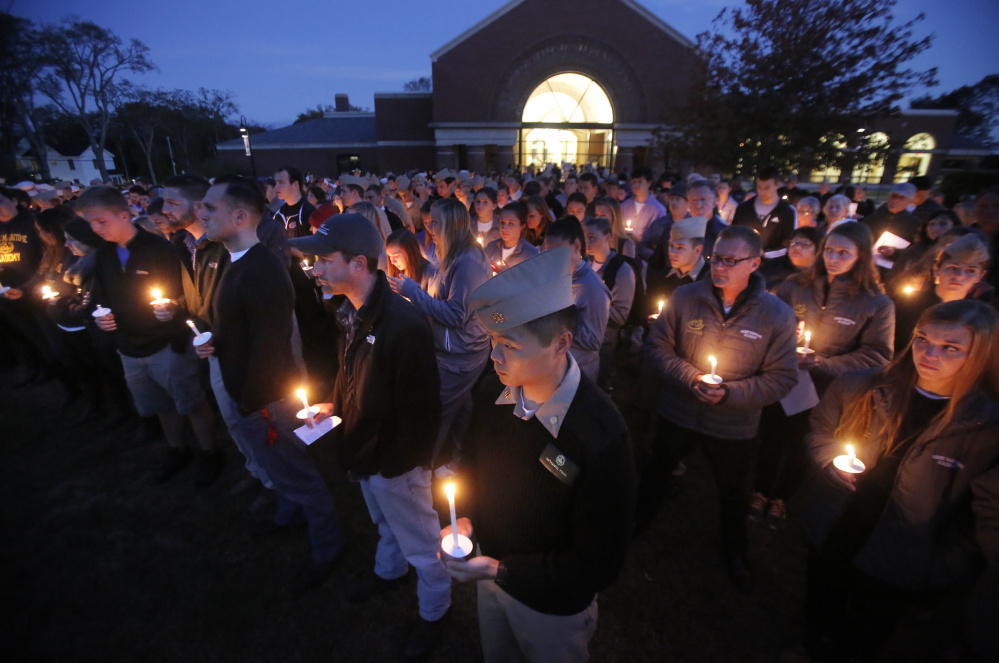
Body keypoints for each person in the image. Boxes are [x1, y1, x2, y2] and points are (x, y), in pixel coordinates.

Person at [442, 247, 635, 663]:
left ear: (561, 343)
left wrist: (504, 571)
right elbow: (472, 471)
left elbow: (599, 562)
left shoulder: (600, 434)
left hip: (552, 606)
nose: (494, 356)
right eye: (493, 340)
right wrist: (462, 522)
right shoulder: (492, 390)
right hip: (489, 576)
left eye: (509, 344)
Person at [799, 299, 999, 661]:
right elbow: (820, 431)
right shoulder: (861, 386)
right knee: (820, 604)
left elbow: (978, 514)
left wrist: (939, 567)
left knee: (864, 634)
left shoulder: (986, 429)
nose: (929, 353)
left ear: (981, 355)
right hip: (837, 524)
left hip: (902, 556)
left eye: (950, 348)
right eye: (923, 339)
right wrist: (830, 460)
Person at [291, 213, 449, 659]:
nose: (315, 268)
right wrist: (334, 407)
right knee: (383, 522)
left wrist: (394, 466)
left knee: (422, 542)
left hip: (393, 461)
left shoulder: (404, 326)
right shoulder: (350, 312)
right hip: (363, 448)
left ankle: (434, 611)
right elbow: (350, 373)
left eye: (324, 260)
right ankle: (388, 570)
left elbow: (423, 414)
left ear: (359, 263)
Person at [195, 178, 344, 589]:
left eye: (210, 207)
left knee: (299, 474)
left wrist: (254, 405)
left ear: (240, 216)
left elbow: (271, 345)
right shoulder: (232, 260)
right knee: (285, 472)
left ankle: (327, 545)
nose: (200, 213)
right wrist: (216, 343)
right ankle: (289, 514)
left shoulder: (261, 269)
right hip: (251, 395)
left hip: (267, 401)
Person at [638, 225, 798, 592]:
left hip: (734, 425)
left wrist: (731, 394)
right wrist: (691, 378)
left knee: (733, 490)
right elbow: (658, 347)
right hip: (679, 410)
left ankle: (734, 549)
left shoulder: (776, 315)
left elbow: (782, 378)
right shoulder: (685, 297)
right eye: (716, 258)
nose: (719, 267)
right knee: (656, 471)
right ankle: (637, 523)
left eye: (730, 260)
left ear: (755, 263)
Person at [753, 222, 895, 530]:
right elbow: (770, 325)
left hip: (828, 390)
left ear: (861, 256)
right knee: (772, 436)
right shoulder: (796, 285)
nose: (833, 258)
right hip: (786, 379)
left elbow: (877, 355)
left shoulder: (875, 303)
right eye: (829, 250)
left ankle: (783, 496)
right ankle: (760, 490)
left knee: (802, 443)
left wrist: (822, 363)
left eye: (844, 252)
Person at [77, 186, 220, 486]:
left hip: (168, 344)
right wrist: (102, 316)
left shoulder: (160, 250)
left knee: (190, 401)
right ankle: (177, 449)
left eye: (101, 221)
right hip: (129, 346)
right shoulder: (103, 255)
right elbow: (101, 296)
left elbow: (187, 296)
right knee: (159, 404)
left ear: (124, 214)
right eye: (90, 222)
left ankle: (210, 453)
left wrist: (174, 308)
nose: (95, 228)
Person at [388, 198, 491, 472]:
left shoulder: (466, 263)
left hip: (461, 354)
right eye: (429, 220)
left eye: (435, 222)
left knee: (437, 410)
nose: (428, 226)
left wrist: (413, 293)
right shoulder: (452, 253)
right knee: (462, 402)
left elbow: (457, 316)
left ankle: (422, 469)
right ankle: (465, 456)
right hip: (459, 349)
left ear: (452, 225)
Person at [891, 232, 993, 350]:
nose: (960, 276)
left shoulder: (978, 318)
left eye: (971, 270)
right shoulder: (902, 304)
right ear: (936, 268)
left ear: (980, 276)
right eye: (953, 268)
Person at [544, 217, 610, 385]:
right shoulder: (556, 276)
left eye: (558, 253)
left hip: (578, 373)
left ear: (577, 247)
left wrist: (560, 319)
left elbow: (594, 341)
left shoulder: (593, 288)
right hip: (555, 367)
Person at [583, 216, 636, 391]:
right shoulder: (585, 265)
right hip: (581, 338)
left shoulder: (621, 270)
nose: (587, 242)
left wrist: (589, 307)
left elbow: (620, 315)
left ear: (607, 237)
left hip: (604, 343)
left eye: (592, 237)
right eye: (584, 237)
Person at [732, 167, 798, 261]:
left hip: (774, 266)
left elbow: (790, 242)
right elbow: (734, 234)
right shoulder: (744, 208)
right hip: (744, 262)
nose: (762, 192)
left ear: (778, 185)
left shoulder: (787, 211)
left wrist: (766, 254)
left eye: (767, 188)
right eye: (759, 188)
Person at [645, 215, 711, 307]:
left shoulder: (710, 281)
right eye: (671, 246)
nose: (672, 253)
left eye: (680, 247)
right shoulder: (661, 278)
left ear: (697, 250)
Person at [484, 201, 539, 273]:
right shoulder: (490, 248)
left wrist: (509, 275)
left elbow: (532, 281)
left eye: (511, 223)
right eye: (502, 222)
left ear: (522, 226)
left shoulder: (530, 254)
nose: (504, 228)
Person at [620, 166, 667, 242]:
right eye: (634, 182)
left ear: (649, 183)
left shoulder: (658, 209)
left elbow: (658, 237)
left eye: (640, 181)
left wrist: (640, 239)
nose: (636, 185)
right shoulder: (624, 206)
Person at [386, 228, 436, 292]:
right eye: (390, 256)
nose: (392, 261)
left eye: (396, 256)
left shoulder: (430, 274)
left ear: (410, 253)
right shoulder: (396, 272)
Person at [273, 165, 315, 239]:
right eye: (276, 182)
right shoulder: (277, 215)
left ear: (295, 184)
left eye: (281, 182)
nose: (276, 186)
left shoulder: (309, 212)